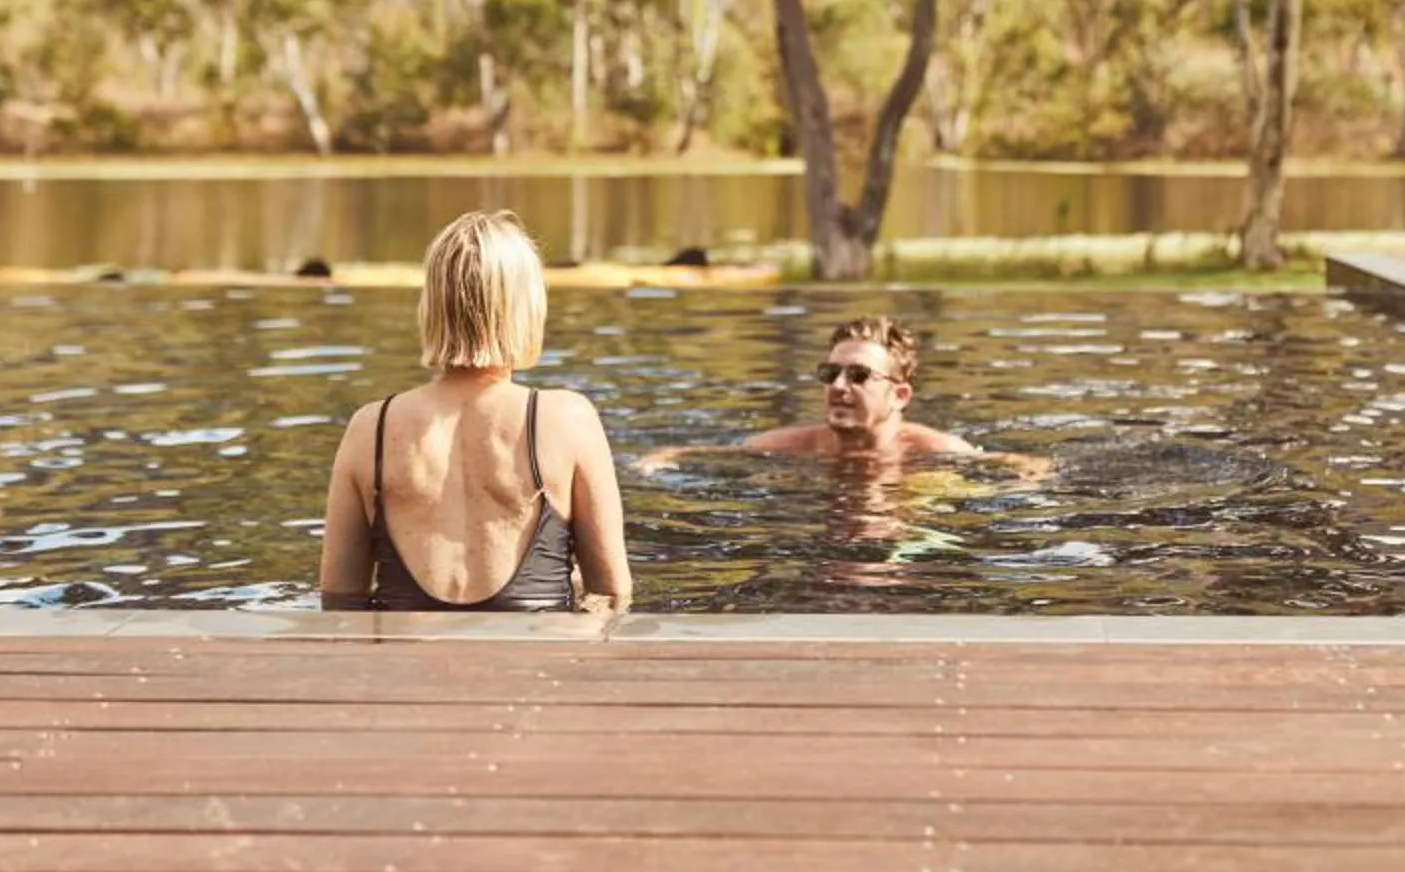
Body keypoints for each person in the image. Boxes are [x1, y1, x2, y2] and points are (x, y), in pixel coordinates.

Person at [319, 209, 632, 613]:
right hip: (533, 665)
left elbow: (339, 600)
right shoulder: (566, 420)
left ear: (431, 304)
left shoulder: (371, 428)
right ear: (525, 307)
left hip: (405, 666)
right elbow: (611, 593)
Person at [636, 315, 1049, 476]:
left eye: (858, 375)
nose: (837, 386)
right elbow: (693, 453)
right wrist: (656, 462)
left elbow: (1024, 465)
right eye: (830, 373)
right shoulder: (791, 446)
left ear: (900, 395)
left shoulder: (935, 450)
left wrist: (1026, 480)